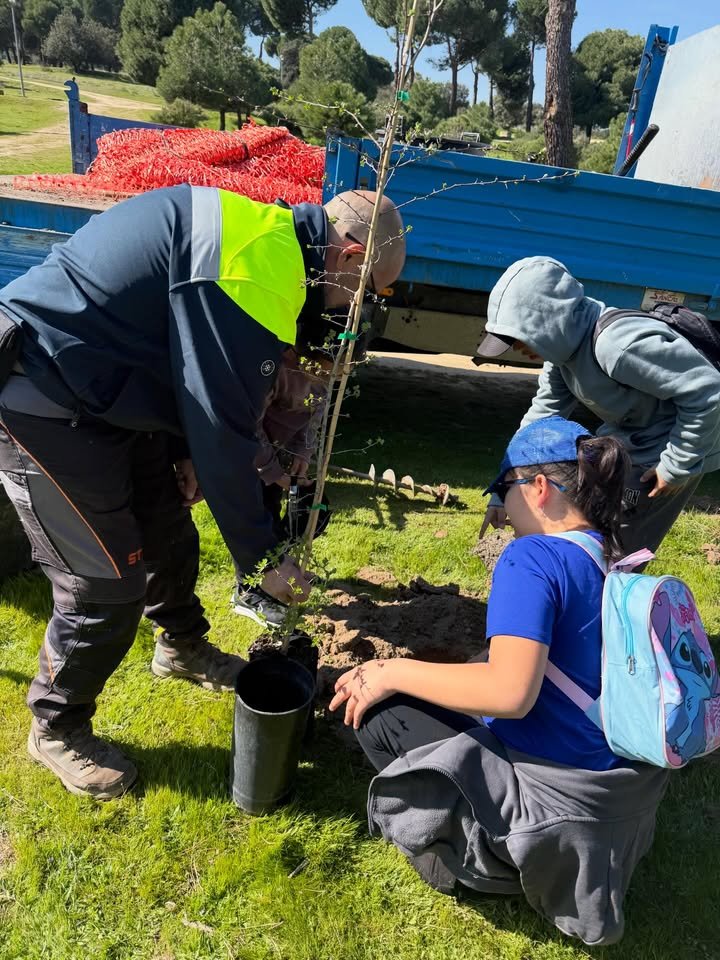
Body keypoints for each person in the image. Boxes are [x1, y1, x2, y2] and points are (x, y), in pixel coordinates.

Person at [0, 184, 405, 800]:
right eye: (365, 295)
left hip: (107, 394)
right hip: (40, 389)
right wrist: (263, 559)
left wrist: (182, 451)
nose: (356, 315)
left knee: (168, 531)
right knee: (105, 581)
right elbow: (225, 431)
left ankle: (182, 649)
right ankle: (57, 725)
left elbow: (187, 361)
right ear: (349, 256)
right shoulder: (258, 274)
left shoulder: (271, 245)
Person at [330, 417, 669, 946]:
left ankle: (463, 862)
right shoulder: (614, 557)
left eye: (504, 491)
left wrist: (389, 670)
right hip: (619, 811)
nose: (502, 510)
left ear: (537, 488)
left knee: (382, 714)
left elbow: (511, 693)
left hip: (552, 818)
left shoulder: (532, 556)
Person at [474, 256, 720, 554]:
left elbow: (708, 391)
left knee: (616, 551)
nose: (516, 348)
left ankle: (611, 595)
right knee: (592, 533)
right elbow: (539, 422)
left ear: (551, 321)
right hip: (630, 438)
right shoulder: (562, 356)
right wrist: (504, 489)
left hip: (671, 446)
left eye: (518, 338)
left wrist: (676, 466)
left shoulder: (616, 346)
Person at [232, 344, 332, 626]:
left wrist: (302, 452)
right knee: (253, 519)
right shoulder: (274, 371)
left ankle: (280, 567)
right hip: (251, 456)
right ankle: (249, 588)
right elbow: (251, 425)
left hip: (280, 453)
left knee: (273, 512)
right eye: (320, 371)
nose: (323, 378)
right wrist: (271, 470)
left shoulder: (324, 376)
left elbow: (313, 417)